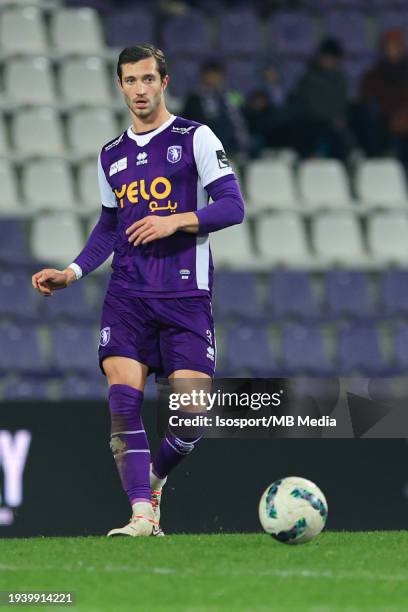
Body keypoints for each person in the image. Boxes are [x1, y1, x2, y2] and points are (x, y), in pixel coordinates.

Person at [32, 44, 245, 537]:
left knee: (191, 417)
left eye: (148, 79)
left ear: (164, 81)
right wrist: (72, 271)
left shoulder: (195, 137)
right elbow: (109, 226)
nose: (140, 90)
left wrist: (175, 222)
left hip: (186, 298)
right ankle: (141, 515)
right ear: (120, 85)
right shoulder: (111, 155)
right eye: (130, 81)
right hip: (127, 296)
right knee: (122, 401)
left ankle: (153, 480)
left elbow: (232, 207)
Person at [287, 37, 352, 160]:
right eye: (325, 57)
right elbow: (309, 105)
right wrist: (332, 118)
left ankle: (342, 166)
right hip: (312, 121)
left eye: (331, 58)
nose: (328, 61)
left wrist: (339, 118)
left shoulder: (341, 79)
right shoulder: (309, 78)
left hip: (333, 122)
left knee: (342, 134)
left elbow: (342, 103)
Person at [357, 28, 408, 164]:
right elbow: (366, 103)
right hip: (384, 126)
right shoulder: (372, 76)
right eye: (389, 47)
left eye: (396, 47)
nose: (393, 51)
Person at [182, 59, 248, 158]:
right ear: (202, 76)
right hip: (206, 148)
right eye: (210, 75)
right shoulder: (195, 98)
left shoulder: (229, 96)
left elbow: (239, 121)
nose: (213, 78)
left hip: (231, 145)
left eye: (216, 75)